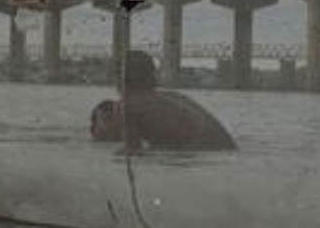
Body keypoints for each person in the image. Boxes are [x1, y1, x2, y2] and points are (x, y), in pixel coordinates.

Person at [89, 50, 237, 152]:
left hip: (199, 156)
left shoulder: (126, 105)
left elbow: (133, 152)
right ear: (152, 75)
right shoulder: (175, 96)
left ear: (119, 78)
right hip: (228, 149)